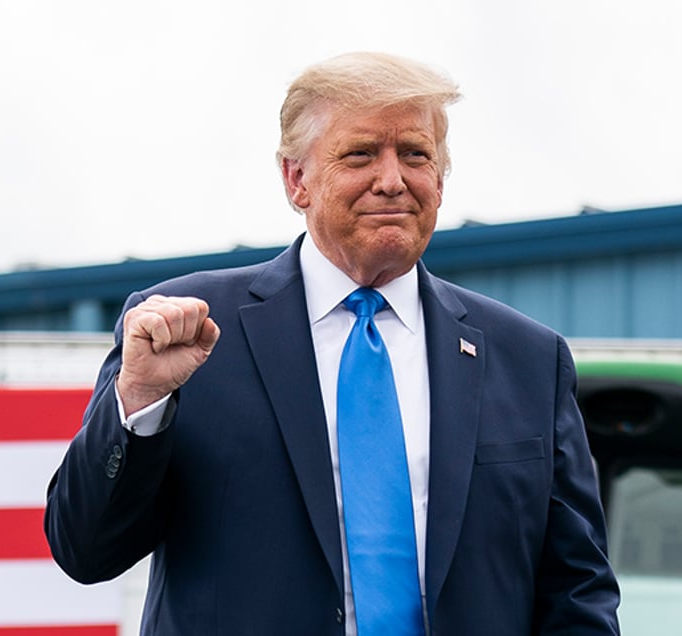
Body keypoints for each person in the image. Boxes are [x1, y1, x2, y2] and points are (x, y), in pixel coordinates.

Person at [45, 52, 620, 635]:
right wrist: (140, 396)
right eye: (361, 154)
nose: (392, 179)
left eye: (416, 154)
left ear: (441, 180)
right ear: (298, 180)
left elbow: (578, 590)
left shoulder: (527, 358)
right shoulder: (186, 335)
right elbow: (86, 551)